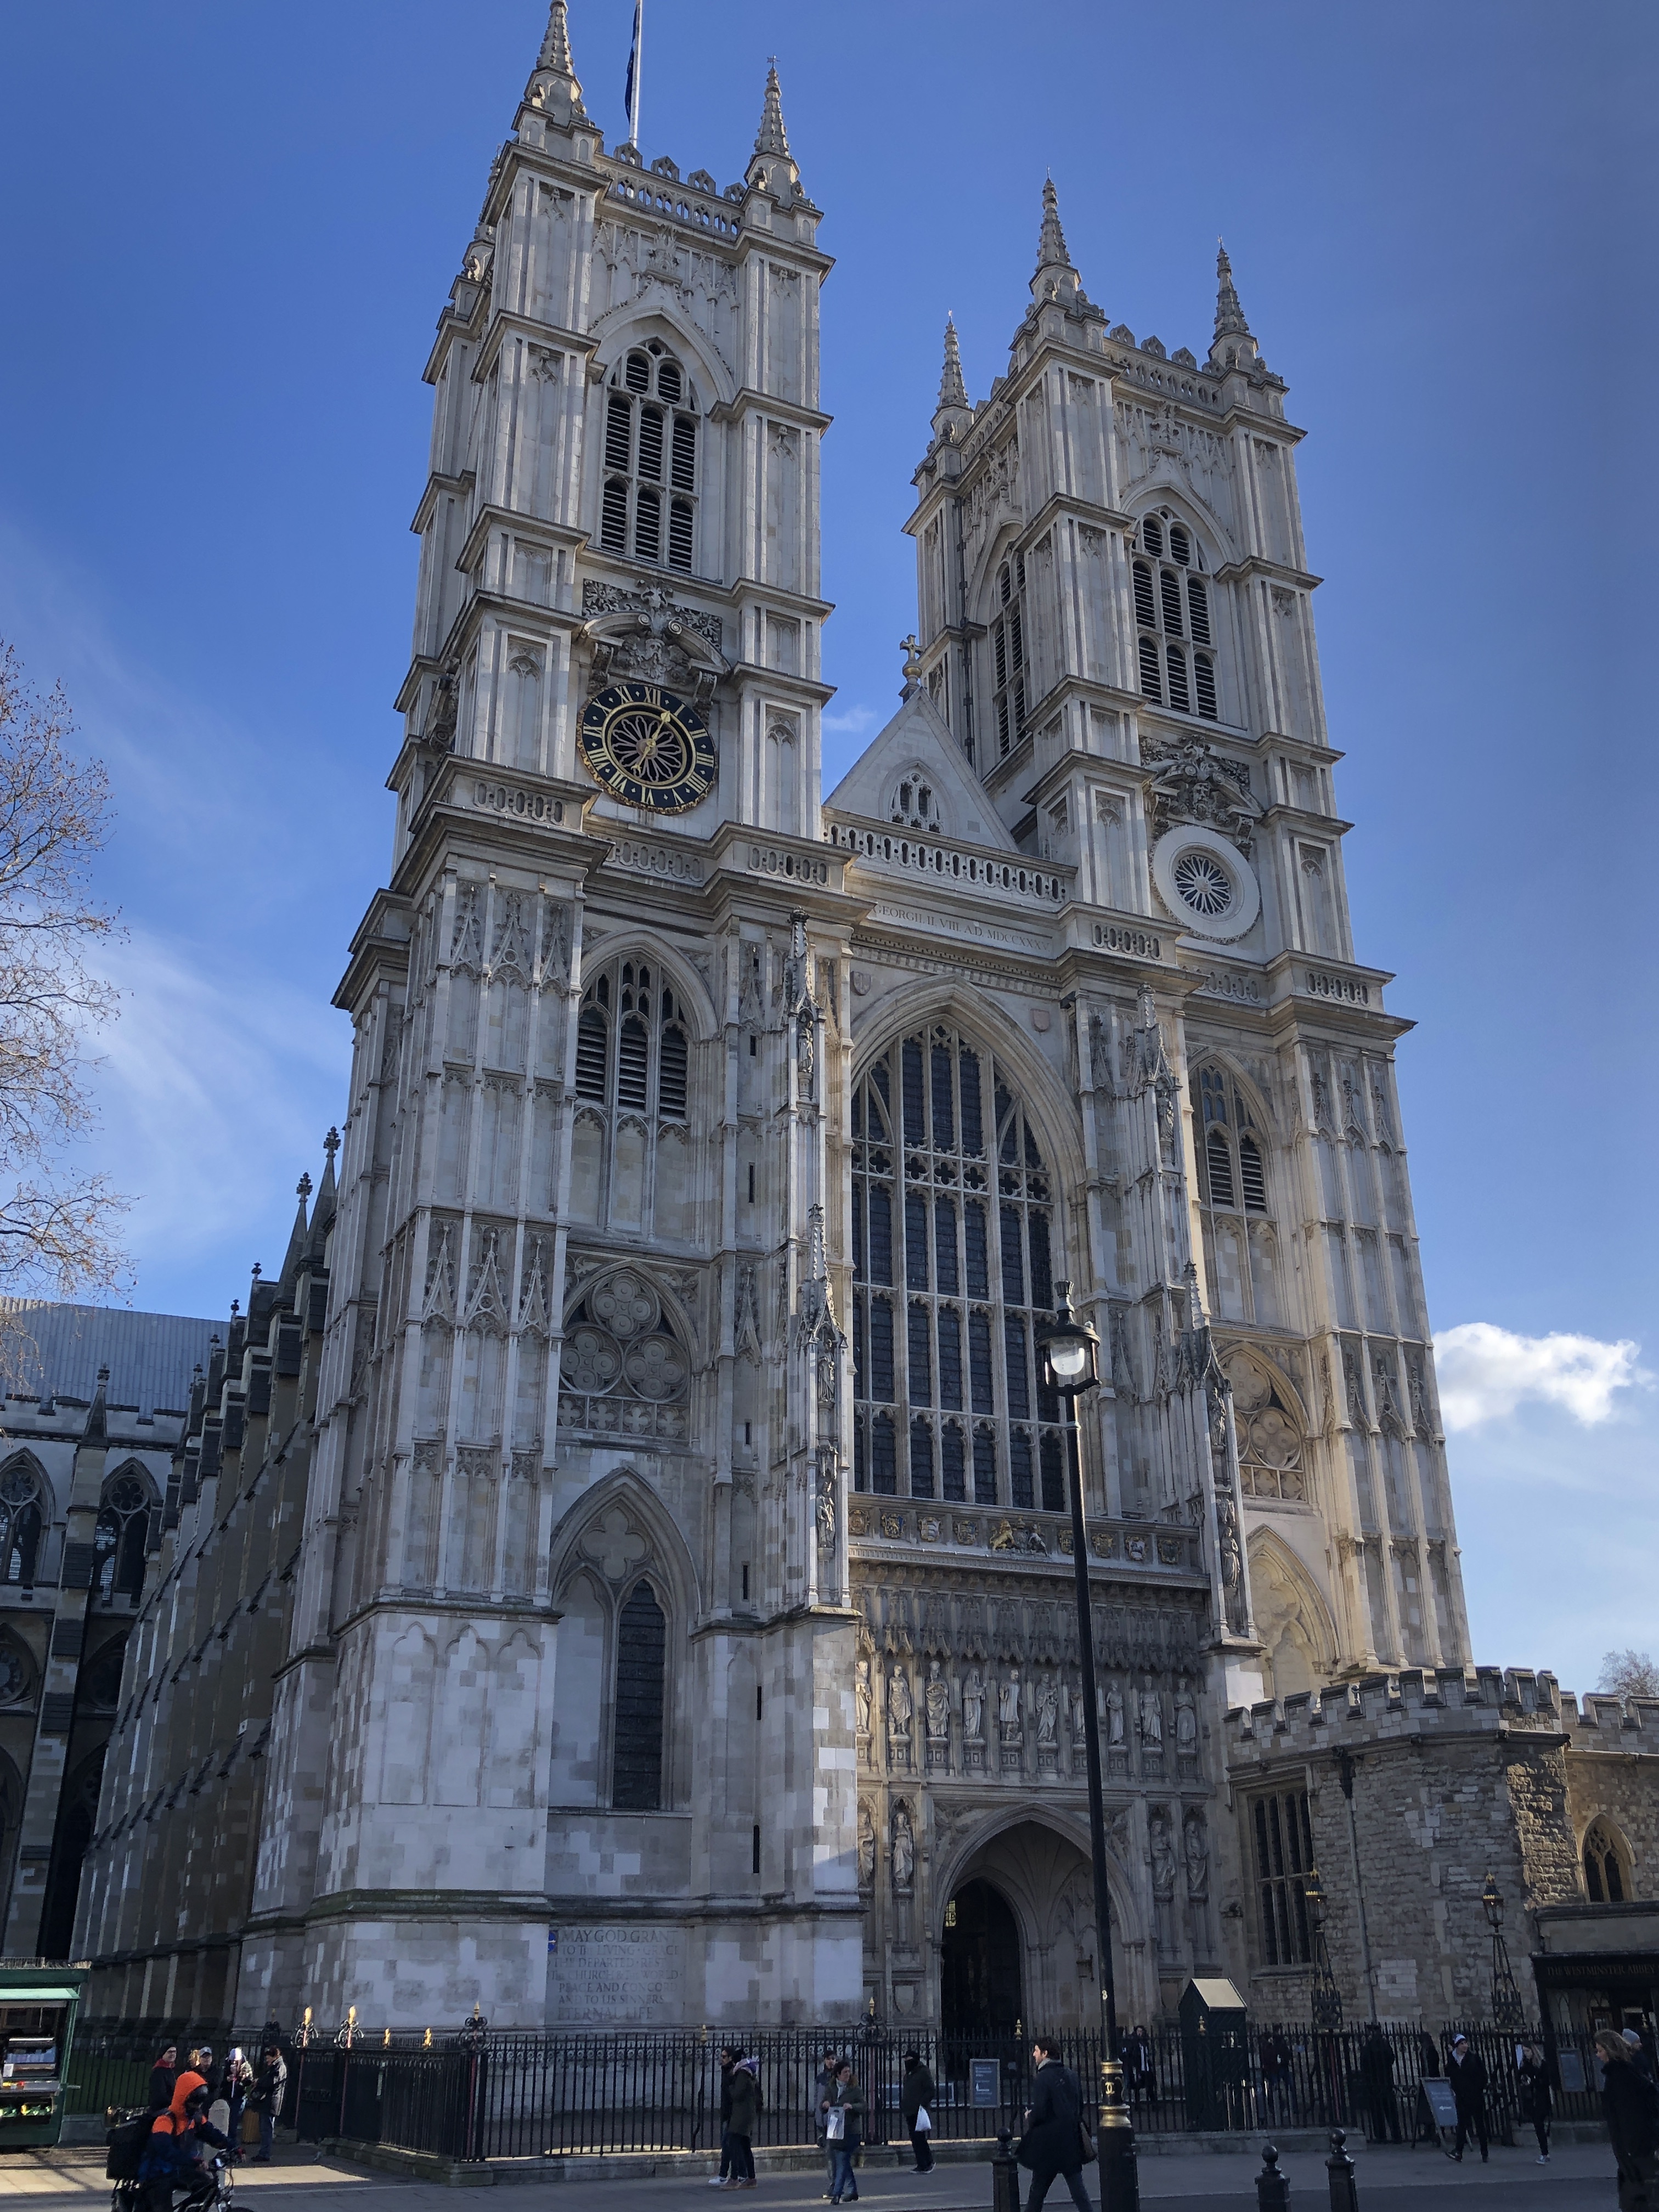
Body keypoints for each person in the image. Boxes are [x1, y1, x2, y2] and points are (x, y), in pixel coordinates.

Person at [1017, 2037, 1092, 2212]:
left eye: (1036, 2051)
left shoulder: (1043, 2078)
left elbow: (1041, 2111)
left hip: (1049, 2145)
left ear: (1045, 2054)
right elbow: (1080, 2106)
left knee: (1037, 2193)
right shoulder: (1071, 2075)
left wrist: (1030, 2116)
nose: (1034, 2054)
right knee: (1079, 2192)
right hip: (1070, 2141)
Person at [137, 2070, 229, 2211]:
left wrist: (233, 2147)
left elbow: (213, 2135)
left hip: (181, 2169)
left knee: (208, 2187)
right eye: (194, 2102)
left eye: (200, 2102)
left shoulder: (195, 2118)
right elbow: (165, 2151)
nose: (197, 2106)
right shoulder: (165, 2121)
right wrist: (193, 2162)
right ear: (184, 2098)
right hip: (157, 2173)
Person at [1600, 2029, 1659, 2211]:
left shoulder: (1621, 2077)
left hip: (1636, 2151)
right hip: (1635, 2151)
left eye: (1600, 2050)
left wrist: (1629, 2151)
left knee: (1640, 2200)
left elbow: (1631, 2117)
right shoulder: (1625, 2073)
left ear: (1610, 2050)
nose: (1598, 2055)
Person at [1445, 2034, 1488, 2164]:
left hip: (1475, 2096)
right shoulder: (1452, 2060)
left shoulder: (1474, 2058)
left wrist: (1479, 2088)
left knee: (1480, 2125)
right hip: (1462, 2097)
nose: (1465, 2046)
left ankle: (1484, 2152)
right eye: (1462, 2044)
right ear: (1457, 2046)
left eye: (1465, 2043)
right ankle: (1459, 2152)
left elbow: (1483, 2075)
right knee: (1462, 2125)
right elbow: (1451, 2076)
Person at [827, 2062, 865, 2205]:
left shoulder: (855, 2089)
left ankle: (837, 2193)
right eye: (845, 2072)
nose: (848, 2075)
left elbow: (863, 2106)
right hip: (836, 2130)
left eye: (849, 2072)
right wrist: (825, 2105)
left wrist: (852, 2106)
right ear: (838, 2074)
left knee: (842, 2160)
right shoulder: (831, 2087)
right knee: (843, 2162)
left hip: (851, 2131)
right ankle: (852, 2190)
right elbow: (824, 2102)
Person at [724, 2055, 761, 2188]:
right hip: (747, 2114)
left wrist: (730, 2087)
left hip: (741, 2116)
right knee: (745, 2146)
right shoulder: (750, 2075)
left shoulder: (742, 2075)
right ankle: (751, 2177)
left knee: (733, 2143)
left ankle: (734, 2178)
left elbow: (737, 2094)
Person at [1360, 2025, 1401, 2144]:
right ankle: (1396, 2135)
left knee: (1377, 2111)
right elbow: (1391, 2059)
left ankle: (1381, 2135)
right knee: (1391, 2111)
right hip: (1387, 2081)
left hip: (1374, 2083)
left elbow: (1364, 2064)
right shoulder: (1385, 2045)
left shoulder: (1368, 2047)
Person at [249, 2044, 286, 2166]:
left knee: (267, 2129)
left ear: (274, 2056)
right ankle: (264, 2152)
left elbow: (272, 2082)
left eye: (268, 2057)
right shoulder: (275, 2067)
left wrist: (259, 2082)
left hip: (271, 2102)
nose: (267, 2060)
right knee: (265, 2128)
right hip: (268, 2102)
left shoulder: (279, 2067)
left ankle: (265, 2153)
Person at [900, 2049, 936, 2174]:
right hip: (909, 2110)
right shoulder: (908, 2075)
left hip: (919, 2110)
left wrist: (922, 2103)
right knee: (915, 2139)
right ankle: (922, 2163)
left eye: (908, 2059)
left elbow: (931, 2090)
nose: (906, 2062)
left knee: (919, 2138)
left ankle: (926, 2163)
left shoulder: (923, 2072)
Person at [1516, 2044, 1554, 2164]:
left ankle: (1545, 2153)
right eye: (1524, 2051)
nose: (1526, 2054)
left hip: (1541, 2099)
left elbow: (1546, 2081)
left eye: (1527, 2051)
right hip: (1531, 2099)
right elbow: (1519, 2077)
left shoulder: (1542, 2064)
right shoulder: (1526, 2065)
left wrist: (1534, 2080)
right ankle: (1544, 2152)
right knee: (1538, 2126)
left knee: (1539, 2124)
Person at [814, 2051, 843, 2199]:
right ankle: (837, 2185)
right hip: (824, 2121)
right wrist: (818, 2119)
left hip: (836, 2119)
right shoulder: (820, 2078)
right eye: (829, 2059)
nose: (831, 2062)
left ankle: (836, 2186)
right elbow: (817, 2099)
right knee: (831, 2156)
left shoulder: (839, 2078)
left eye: (834, 2059)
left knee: (833, 2155)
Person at [709, 2047, 739, 2187]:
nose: (722, 2059)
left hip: (732, 2114)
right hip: (727, 2114)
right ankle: (739, 2175)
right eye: (721, 2056)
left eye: (724, 2057)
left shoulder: (733, 2073)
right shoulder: (726, 2071)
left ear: (731, 2058)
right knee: (729, 2145)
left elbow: (734, 2094)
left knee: (729, 2145)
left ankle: (728, 2175)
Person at [1260, 2029, 1295, 2128]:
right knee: (1276, 2089)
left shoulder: (1276, 2044)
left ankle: (1288, 2108)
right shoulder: (1269, 2046)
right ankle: (1279, 2108)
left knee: (1280, 2088)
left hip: (1279, 2068)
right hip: (1275, 2069)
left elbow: (1286, 2054)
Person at [223, 2049, 252, 2160]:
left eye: (236, 2061)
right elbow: (222, 2080)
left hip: (239, 2098)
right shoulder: (227, 2065)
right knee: (227, 2123)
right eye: (232, 2061)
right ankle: (229, 2146)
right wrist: (228, 2078)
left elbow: (249, 2084)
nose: (234, 2063)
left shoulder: (246, 2067)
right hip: (228, 2097)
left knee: (233, 2123)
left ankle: (233, 2147)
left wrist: (240, 2078)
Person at [149, 2046, 179, 2112]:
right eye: (170, 2052)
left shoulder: (171, 2070)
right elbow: (160, 2095)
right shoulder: (158, 2071)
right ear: (163, 2054)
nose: (173, 2054)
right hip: (161, 2109)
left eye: (174, 2052)